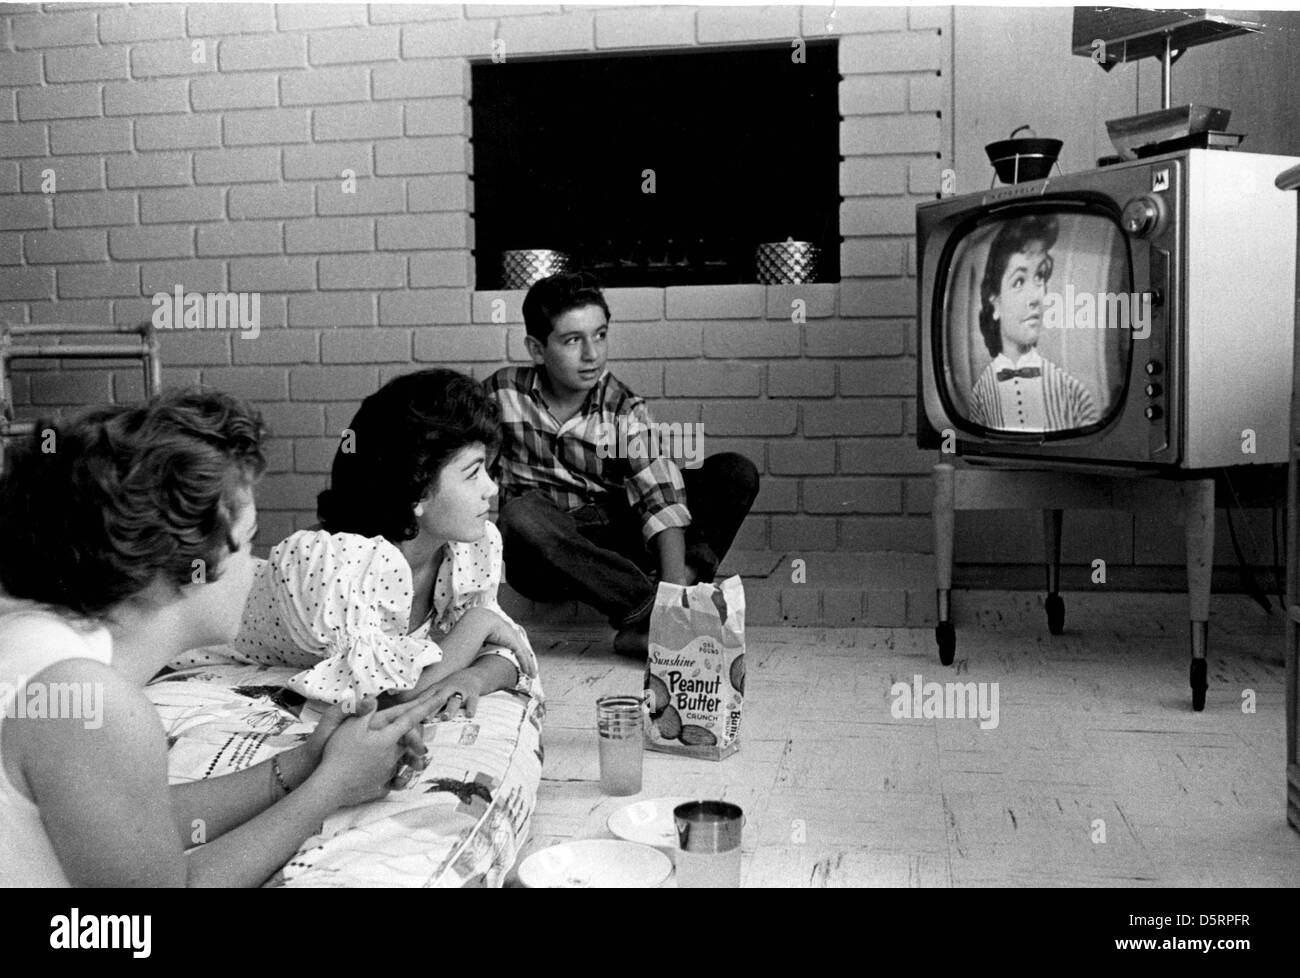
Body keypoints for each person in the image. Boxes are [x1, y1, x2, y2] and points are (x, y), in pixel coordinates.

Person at [0, 389, 439, 887]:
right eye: (249, 539)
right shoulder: (95, 706)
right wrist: (332, 788)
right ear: (184, 566)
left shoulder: (35, 641)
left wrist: (305, 764)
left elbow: (128, 827)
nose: (258, 566)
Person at [195, 369, 539, 714]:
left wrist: (473, 678)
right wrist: (478, 622)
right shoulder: (348, 563)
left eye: (489, 471)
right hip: (200, 613)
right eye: (473, 473)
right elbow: (390, 692)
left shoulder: (467, 549)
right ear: (416, 488)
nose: (491, 488)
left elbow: (508, 649)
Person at [484, 271, 760, 659]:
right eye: (572, 340)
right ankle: (650, 615)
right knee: (521, 513)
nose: (592, 354)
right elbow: (467, 472)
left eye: (600, 335)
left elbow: (660, 497)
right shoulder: (503, 393)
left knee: (733, 473)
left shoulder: (621, 405)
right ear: (536, 348)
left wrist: (673, 583)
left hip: (615, 542)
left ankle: (667, 603)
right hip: (545, 555)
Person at [970, 213, 1100, 431]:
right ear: (995, 304)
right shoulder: (981, 394)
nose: (1036, 297)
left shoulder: (1074, 393)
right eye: (1019, 281)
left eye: (1039, 276)